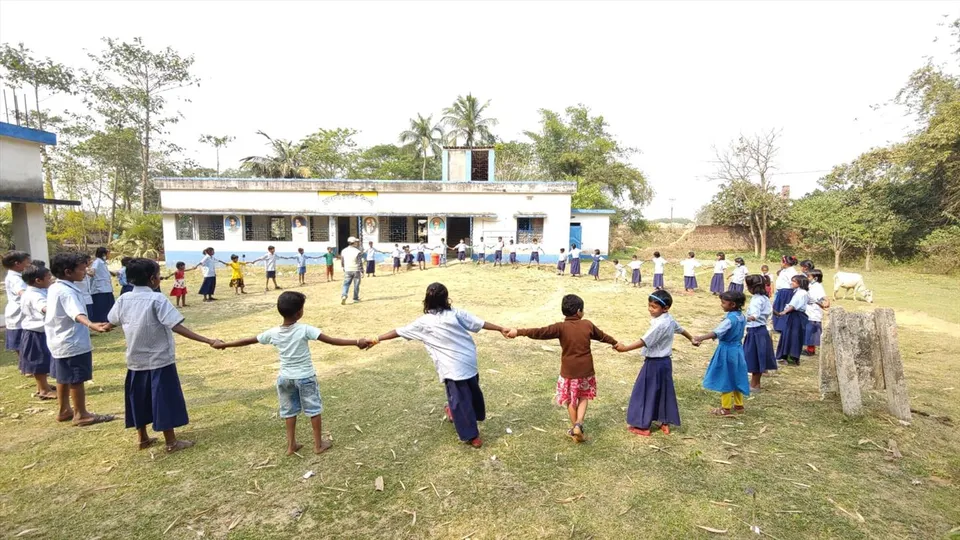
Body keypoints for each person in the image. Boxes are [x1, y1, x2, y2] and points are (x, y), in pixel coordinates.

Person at [213, 291, 368, 455]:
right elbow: (332, 341)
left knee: (289, 411)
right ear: (299, 312)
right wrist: (357, 342)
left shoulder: (273, 332)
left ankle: (291, 445)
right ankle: (318, 445)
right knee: (313, 410)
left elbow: (248, 341)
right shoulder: (305, 329)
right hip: (305, 377)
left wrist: (225, 345)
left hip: (285, 378)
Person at [365, 283, 508, 448]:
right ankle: (467, 428)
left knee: (462, 400)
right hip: (466, 364)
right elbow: (480, 323)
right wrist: (500, 328)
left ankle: (469, 432)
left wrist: (376, 339)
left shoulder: (425, 322)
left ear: (427, 300)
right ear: (446, 298)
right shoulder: (455, 313)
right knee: (467, 396)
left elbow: (398, 331)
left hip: (457, 368)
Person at [108, 258, 222, 453]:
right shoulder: (156, 299)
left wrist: (99, 326)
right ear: (154, 279)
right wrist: (208, 340)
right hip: (159, 360)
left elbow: (112, 321)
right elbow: (175, 325)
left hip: (135, 361)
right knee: (163, 398)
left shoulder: (123, 299)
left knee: (139, 398)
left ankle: (142, 437)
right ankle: (171, 442)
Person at [505, 294, 619, 442]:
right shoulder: (587, 325)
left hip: (568, 372)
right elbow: (602, 336)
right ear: (579, 311)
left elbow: (539, 332)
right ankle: (579, 424)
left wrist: (519, 331)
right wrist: (615, 344)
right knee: (583, 397)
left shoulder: (560, 327)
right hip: (586, 371)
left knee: (570, 400)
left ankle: (574, 429)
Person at [44, 252, 115, 426]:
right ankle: (81, 414)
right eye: (82, 269)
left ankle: (64, 410)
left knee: (63, 377)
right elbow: (76, 313)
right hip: (72, 342)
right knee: (77, 378)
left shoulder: (55, 287)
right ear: (68, 272)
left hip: (58, 340)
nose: (85, 272)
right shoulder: (68, 292)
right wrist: (93, 325)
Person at [614, 290, 697, 436]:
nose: (650, 309)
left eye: (654, 307)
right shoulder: (669, 320)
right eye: (649, 305)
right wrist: (691, 338)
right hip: (665, 363)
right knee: (663, 392)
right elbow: (681, 329)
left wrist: (625, 349)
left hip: (654, 363)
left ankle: (642, 426)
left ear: (665, 308)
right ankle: (663, 421)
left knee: (644, 392)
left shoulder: (660, 325)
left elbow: (644, 341)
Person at [693, 291, 750, 416]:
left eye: (723, 303)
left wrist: (700, 338)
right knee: (736, 376)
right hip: (738, 350)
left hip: (726, 351)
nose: (721, 305)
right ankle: (739, 405)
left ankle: (726, 408)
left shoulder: (729, 320)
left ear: (732, 304)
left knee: (725, 378)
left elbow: (716, 332)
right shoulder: (742, 316)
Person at [18, 264, 56, 400]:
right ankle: (44, 390)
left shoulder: (36, 291)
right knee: (39, 362)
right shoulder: (34, 295)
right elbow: (44, 308)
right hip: (36, 332)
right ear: (38, 281)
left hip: (37, 331)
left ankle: (43, 386)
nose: (51, 279)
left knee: (44, 360)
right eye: (48, 277)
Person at [743, 275, 776, 391]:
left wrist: (742, 318)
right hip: (762, 329)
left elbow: (754, 316)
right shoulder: (765, 298)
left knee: (754, 357)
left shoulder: (756, 300)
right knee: (759, 356)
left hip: (755, 330)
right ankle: (756, 383)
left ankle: (754, 384)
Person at [774, 274, 809, 365]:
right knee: (791, 335)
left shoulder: (801, 293)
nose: (791, 283)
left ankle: (791, 358)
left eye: (794, 281)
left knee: (792, 336)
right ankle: (789, 357)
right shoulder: (799, 292)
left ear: (799, 283)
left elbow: (793, 306)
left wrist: (783, 312)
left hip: (796, 316)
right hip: (795, 316)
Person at [3, 250, 31, 366]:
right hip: (18, 314)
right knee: (21, 341)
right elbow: (22, 292)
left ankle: (25, 365)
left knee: (22, 341)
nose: (28, 263)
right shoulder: (15, 279)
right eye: (26, 261)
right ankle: (26, 366)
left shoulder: (18, 276)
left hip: (19, 313)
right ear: (17, 264)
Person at [87, 247, 116, 323]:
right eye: (108, 253)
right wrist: (89, 272)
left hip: (106, 287)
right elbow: (93, 270)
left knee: (107, 304)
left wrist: (111, 272)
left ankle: (106, 319)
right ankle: (100, 319)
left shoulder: (102, 262)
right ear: (103, 254)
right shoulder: (97, 262)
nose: (109, 255)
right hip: (100, 288)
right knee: (101, 305)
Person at [804, 269, 830, 356]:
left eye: (809, 276)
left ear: (815, 278)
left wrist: (825, 303)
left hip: (813, 311)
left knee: (812, 330)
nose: (807, 278)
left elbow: (823, 297)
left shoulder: (818, 286)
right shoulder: (811, 285)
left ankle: (811, 350)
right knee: (808, 330)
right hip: (808, 310)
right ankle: (808, 347)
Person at [772, 256, 799, 333]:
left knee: (783, 308)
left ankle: (783, 326)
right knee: (777, 307)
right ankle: (777, 326)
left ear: (785, 263)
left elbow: (793, 283)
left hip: (786, 292)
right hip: (781, 291)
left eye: (781, 262)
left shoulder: (791, 272)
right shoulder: (784, 270)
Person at [340, 236, 362, 305]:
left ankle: (344, 295)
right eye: (356, 242)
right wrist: (362, 270)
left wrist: (343, 267)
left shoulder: (344, 250)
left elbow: (342, 261)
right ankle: (355, 298)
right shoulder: (357, 251)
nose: (357, 243)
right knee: (356, 285)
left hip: (347, 269)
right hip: (356, 270)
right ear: (354, 243)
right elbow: (359, 262)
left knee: (346, 284)